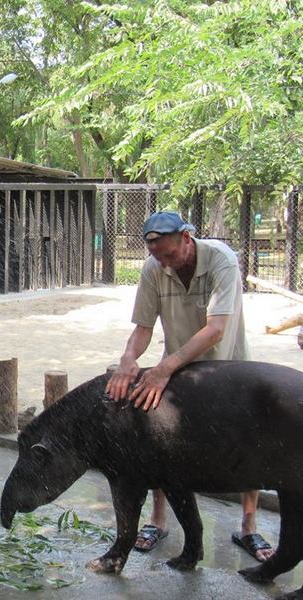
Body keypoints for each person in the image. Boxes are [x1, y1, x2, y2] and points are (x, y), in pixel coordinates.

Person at [105, 211, 274, 563]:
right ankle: (157, 521)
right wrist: (128, 358)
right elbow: (143, 327)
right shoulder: (154, 269)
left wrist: (163, 368)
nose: (165, 263)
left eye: (170, 254)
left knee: (246, 439)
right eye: (157, 257)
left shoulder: (221, 261)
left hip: (227, 365)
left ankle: (248, 526)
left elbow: (216, 330)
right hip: (178, 367)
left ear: (186, 237)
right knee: (158, 436)